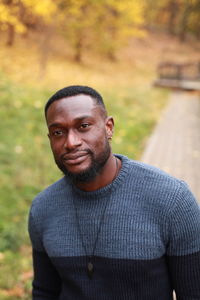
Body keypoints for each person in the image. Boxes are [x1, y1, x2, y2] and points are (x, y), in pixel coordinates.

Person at [28, 85, 200, 300]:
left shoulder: (172, 200)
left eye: (83, 126)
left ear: (108, 127)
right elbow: (45, 292)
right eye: (58, 132)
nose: (70, 142)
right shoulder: (43, 209)